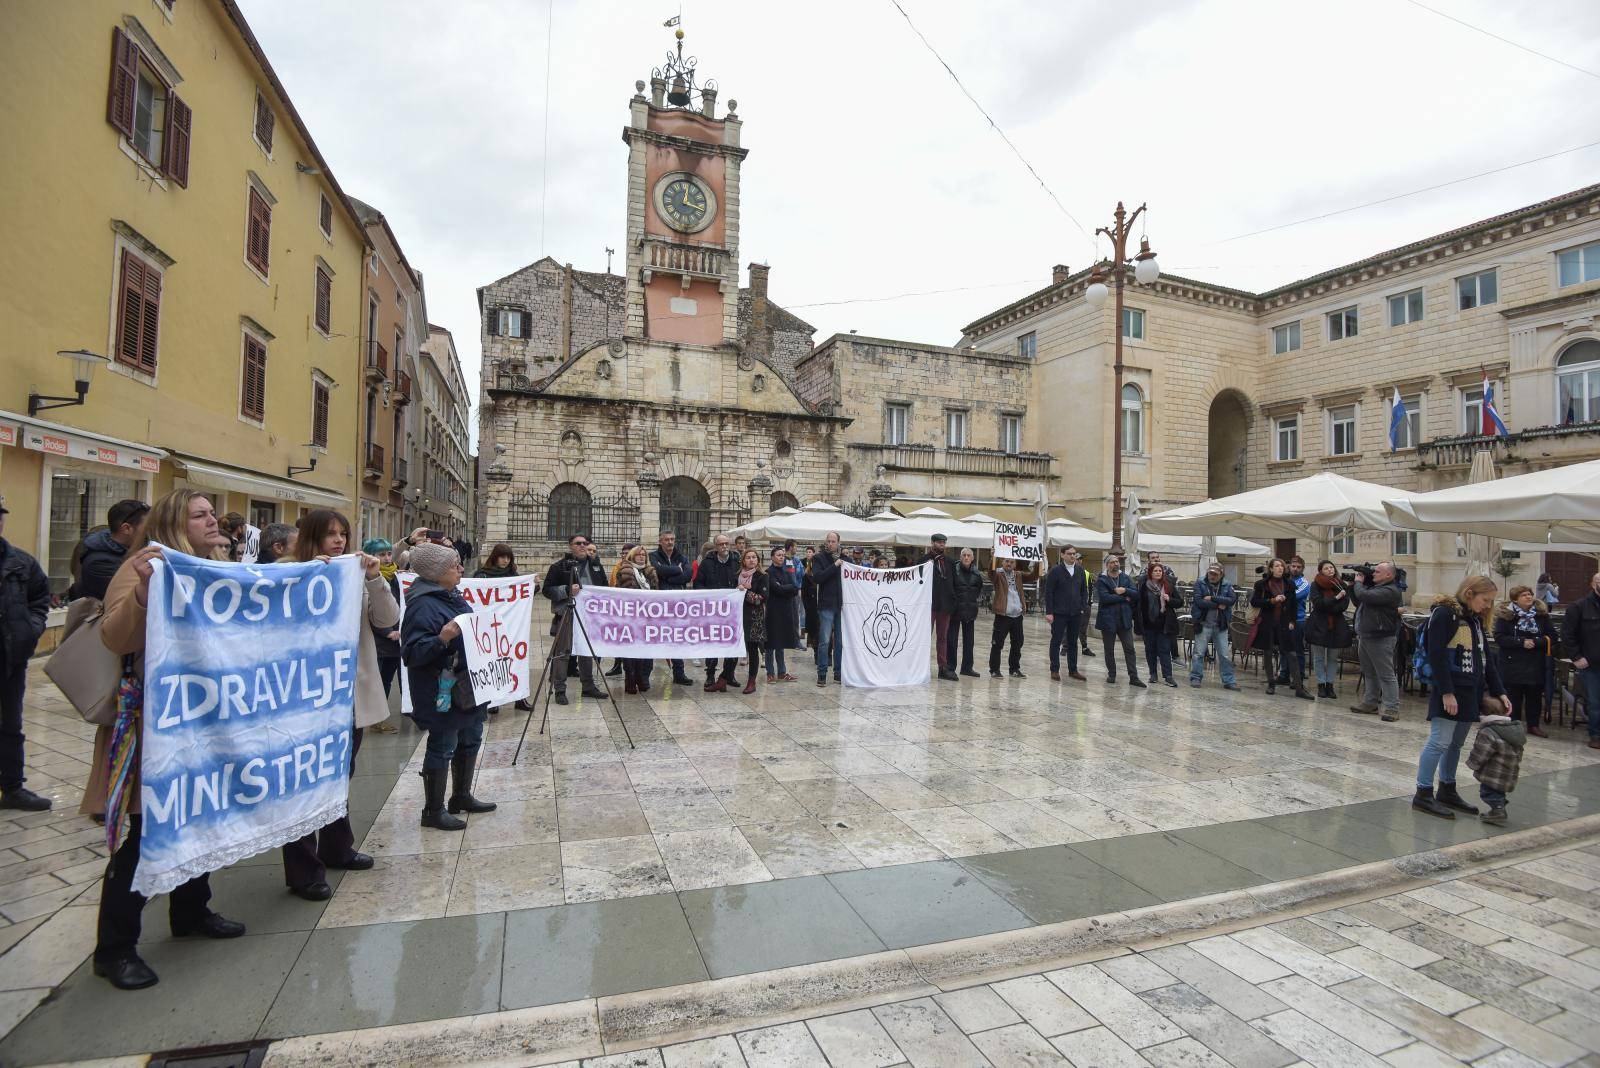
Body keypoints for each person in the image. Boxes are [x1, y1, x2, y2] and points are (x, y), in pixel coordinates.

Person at [87, 490, 246, 989]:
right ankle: (114, 949)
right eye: (200, 515)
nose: (212, 520)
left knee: (197, 814)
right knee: (147, 832)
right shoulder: (144, 566)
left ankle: (192, 911)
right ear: (175, 524)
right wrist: (141, 593)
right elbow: (115, 637)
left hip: (203, 718)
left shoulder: (214, 567)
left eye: (211, 513)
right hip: (153, 724)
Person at [279, 510, 399, 901]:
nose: (339, 541)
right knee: (303, 782)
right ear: (311, 537)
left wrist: (373, 579)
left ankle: (336, 846)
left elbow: (387, 620)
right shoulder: (285, 572)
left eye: (343, 534)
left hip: (346, 694)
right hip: (304, 698)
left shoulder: (353, 575)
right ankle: (303, 869)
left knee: (340, 772)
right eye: (330, 534)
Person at [402, 542, 496, 831]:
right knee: (443, 745)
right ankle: (433, 810)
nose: (459, 568)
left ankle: (461, 795)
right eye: (453, 565)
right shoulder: (422, 604)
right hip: (442, 691)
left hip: (467, 687)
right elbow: (413, 653)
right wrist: (442, 638)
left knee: (471, 737)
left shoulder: (451, 595)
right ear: (436, 572)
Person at [1413, 576, 1509, 819]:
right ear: (1469, 593)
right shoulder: (1445, 614)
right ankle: (1423, 793)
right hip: (1451, 689)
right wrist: (1446, 691)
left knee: (1455, 744)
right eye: (1485, 599)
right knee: (1439, 741)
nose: (1487, 605)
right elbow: (1436, 655)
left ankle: (1447, 788)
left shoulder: (1474, 620)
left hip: (1470, 690)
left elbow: (1486, 659)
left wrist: (1500, 691)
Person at [0, 502, 51, 812]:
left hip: (10, 656)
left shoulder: (21, 562)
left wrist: (29, 631)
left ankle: (12, 786)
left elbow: (40, 599)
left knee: (10, 722)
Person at [542, 534, 607, 705]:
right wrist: (566, 590)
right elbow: (547, 590)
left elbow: (605, 588)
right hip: (567, 614)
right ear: (570, 546)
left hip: (589, 616)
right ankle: (560, 690)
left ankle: (588, 686)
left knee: (586, 652)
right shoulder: (559, 567)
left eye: (585, 543)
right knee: (562, 652)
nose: (582, 546)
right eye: (578, 543)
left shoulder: (596, 566)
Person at [1494, 585, 1554, 739]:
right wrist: (1521, 642)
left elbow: (1552, 636)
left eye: (1530, 594)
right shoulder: (1506, 616)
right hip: (1512, 663)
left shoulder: (1541, 616)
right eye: (1524, 595)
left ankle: (1533, 725)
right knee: (1513, 695)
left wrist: (1536, 642)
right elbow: (1500, 637)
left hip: (1535, 662)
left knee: (1534, 696)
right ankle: (1513, 724)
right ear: (1515, 599)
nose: (1529, 597)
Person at [1349, 561, 1404, 722]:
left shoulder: (1390, 590)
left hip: (1381, 637)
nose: (1373, 574)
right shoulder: (1377, 588)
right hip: (1367, 635)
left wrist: (1359, 583)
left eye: (1377, 572)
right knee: (1369, 672)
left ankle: (1392, 708)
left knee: (1386, 674)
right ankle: (1370, 703)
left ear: (1389, 575)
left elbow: (1364, 595)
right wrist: (1353, 586)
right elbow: (1359, 600)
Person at [1251, 558, 1312, 700]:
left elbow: (1293, 605)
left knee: (1292, 654)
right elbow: (1254, 601)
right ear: (1271, 569)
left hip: (1284, 623)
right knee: (1267, 653)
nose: (1280, 568)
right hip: (1267, 623)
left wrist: (1293, 620)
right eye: (1277, 566)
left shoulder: (1289, 583)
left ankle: (1299, 687)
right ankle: (1271, 683)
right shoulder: (1262, 584)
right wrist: (1271, 601)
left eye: (1282, 566)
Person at [70, 499, 148, 603]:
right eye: (146, 527)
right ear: (126, 529)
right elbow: (132, 599)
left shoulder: (131, 551)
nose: (149, 532)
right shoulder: (99, 562)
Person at [364, 537, 404, 732]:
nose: (387, 558)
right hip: (379, 640)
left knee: (387, 680)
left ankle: (380, 717)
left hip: (396, 639)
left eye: (389, 553)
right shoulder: (367, 577)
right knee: (377, 681)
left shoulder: (396, 575)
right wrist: (387, 631)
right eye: (382, 554)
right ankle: (374, 719)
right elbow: (371, 611)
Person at [693, 534, 742, 692]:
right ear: (716, 547)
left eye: (727, 543)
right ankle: (710, 674)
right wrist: (712, 595)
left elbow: (743, 580)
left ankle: (729, 674)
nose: (725, 547)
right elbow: (698, 584)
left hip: (732, 610)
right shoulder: (707, 563)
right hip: (713, 610)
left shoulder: (736, 561)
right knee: (713, 643)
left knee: (732, 642)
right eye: (721, 544)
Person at [649, 530, 696, 687]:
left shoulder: (681, 556)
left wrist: (668, 575)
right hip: (659, 604)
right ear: (660, 541)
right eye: (667, 539)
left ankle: (679, 673)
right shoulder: (654, 556)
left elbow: (688, 574)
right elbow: (657, 570)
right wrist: (677, 570)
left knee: (677, 638)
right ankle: (644, 675)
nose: (670, 542)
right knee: (653, 638)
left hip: (677, 604)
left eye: (672, 539)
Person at [611, 545, 658, 694]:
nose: (641, 557)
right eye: (638, 555)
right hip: (630, 617)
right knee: (630, 650)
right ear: (632, 556)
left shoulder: (650, 572)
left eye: (644, 555)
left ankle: (641, 677)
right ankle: (630, 679)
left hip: (647, 617)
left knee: (643, 649)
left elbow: (656, 593)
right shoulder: (626, 571)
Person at [1562, 571, 1600, 751]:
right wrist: (1576, 656)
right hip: (1591, 664)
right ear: (1593, 584)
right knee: (1595, 701)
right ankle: (1595, 735)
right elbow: (1567, 634)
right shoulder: (1579, 606)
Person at [1467, 710, 1525, 826]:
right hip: (1509, 772)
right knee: (1498, 792)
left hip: (1493, 773)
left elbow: (1482, 751)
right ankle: (1498, 807)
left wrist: (1473, 763)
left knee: (1489, 792)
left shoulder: (1489, 731)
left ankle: (1498, 810)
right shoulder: (1514, 732)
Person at [1305, 560, 1353, 700]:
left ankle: (1330, 685)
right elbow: (1318, 603)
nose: (1330, 570)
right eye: (1326, 568)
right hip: (1319, 624)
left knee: (1333, 657)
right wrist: (1336, 598)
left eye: (1331, 567)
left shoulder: (1341, 584)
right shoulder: (1315, 585)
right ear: (1321, 571)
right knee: (1319, 657)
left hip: (1336, 625)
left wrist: (1330, 606)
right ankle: (1321, 684)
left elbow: (1344, 605)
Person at [1189, 561, 1239, 691]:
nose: (1212, 576)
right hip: (1203, 622)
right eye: (1210, 573)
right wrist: (1218, 605)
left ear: (1221, 574)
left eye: (1215, 574)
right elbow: (1199, 601)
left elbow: (1231, 600)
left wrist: (1212, 598)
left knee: (1224, 654)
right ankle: (1196, 677)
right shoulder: (1200, 582)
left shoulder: (1227, 585)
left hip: (1220, 624)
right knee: (1199, 652)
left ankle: (1229, 681)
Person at [1044, 545, 1090, 682]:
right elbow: (1049, 592)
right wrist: (1049, 612)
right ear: (1062, 555)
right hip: (1059, 613)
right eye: (1069, 554)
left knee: (1073, 642)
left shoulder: (1080, 570)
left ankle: (1073, 670)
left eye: (1074, 554)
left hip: (1075, 612)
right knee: (1056, 640)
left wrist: (1082, 606)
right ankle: (1054, 669)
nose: (1072, 556)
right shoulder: (1055, 571)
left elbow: (1084, 590)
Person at [1095, 555, 1142, 687]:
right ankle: (1112, 674)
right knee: (1109, 649)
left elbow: (1136, 594)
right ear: (1107, 565)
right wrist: (1124, 598)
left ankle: (1134, 677)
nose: (1116, 564)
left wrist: (1125, 590)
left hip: (1124, 619)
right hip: (1108, 619)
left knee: (1129, 648)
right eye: (1112, 562)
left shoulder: (1125, 578)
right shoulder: (1102, 580)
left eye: (1117, 561)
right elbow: (1104, 598)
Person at [1134, 562, 1183, 687]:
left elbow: (1179, 602)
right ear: (1150, 573)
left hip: (1164, 624)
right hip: (1148, 624)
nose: (1158, 573)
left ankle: (1168, 676)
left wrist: (1169, 599)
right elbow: (1138, 604)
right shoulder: (1144, 586)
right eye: (1155, 571)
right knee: (1150, 650)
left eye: (1160, 571)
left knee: (1164, 650)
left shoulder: (1168, 585)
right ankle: (1153, 674)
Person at [988, 556, 1033, 678]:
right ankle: (994, 669)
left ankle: (1014, 669)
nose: (1009, 564)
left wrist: (1039, 561)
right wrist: (993, 557)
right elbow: (990, 573)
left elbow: (1033, 576)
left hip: (1017, 615)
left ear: (1015, 564)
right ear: (1002, 562)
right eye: (1007, 561)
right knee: (997, 644)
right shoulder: (998, 574)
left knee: (1017, 643)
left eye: (1012, 562)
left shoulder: (1018, 575)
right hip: (1003, 615)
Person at [811, 533, 845, 686]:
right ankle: (822, 673)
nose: (830, 544)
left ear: (838, 543)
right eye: (828, 541)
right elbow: (818, 578)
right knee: (824, 641)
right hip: (826, 604)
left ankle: (838, 673)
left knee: (839, 641)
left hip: (841, 605)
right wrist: (835, 565)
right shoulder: (819, 558)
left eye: (833, 541)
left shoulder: (845, 559)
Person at [735, 548, 768, 694]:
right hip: (737, 616)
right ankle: (725, 677)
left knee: (753, 649)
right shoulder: (737, 575)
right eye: (748, 557)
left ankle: (751, 681)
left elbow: (762, 598)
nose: (751, 560)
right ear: (743, 560)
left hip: (754, 619)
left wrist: (745, 592)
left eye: (754, 557)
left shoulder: (762, 576)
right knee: (735, 648)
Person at [947, 547, 984, 678]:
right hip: (955, 611)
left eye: (969, 555)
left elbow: (978, 589)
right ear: (960, 557)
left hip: (970, 610)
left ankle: (967, 667)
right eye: (964, 555)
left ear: (972, 558)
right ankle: (950, 667)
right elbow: (949, 588)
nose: (967, 557)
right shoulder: (954, 571)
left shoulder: (976, 573)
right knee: (952, 641)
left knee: (969, 642)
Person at [765, 546, 800, 682]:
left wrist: (786, 587)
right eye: (779, 555)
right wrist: (787, 588)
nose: (781, 557)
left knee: (781, 643)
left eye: (783, 555)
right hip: (773, 611)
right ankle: (770, 672)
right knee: (771, 644)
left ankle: (782, 672)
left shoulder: (787, 571)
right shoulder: (768, 572)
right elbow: (776, 589)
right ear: (772, 557)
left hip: (786, 610)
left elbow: (795, 587)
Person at [926, 534, 957, 681]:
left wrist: (953, 600)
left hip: (945, 605)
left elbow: (954, 583)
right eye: (939, 542)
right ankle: (922, 665)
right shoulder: (924, 561)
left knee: (943, 637)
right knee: (925, 637)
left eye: (944, 542)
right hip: (929, 605)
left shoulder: (950, 562)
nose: (942, 545)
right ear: (932, 543)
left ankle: (943, 667)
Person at [784, 539, 804, 650]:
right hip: (782, 592)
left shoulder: (796, 560)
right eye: (795, 546)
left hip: (794, 593)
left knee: (796, 618)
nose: (796, 549)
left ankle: (796, 642)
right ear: (791, 547)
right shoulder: (781, 559)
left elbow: (801, 574)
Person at [800, 545, 820, 648]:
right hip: (809, 597)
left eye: (810, 552)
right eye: (807, 552)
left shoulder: (817, 565)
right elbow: (804, 589)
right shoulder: (802, 562)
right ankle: (811, 640)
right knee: (810, 619)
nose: (808, 554)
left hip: (818, 598)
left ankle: (813, 641)